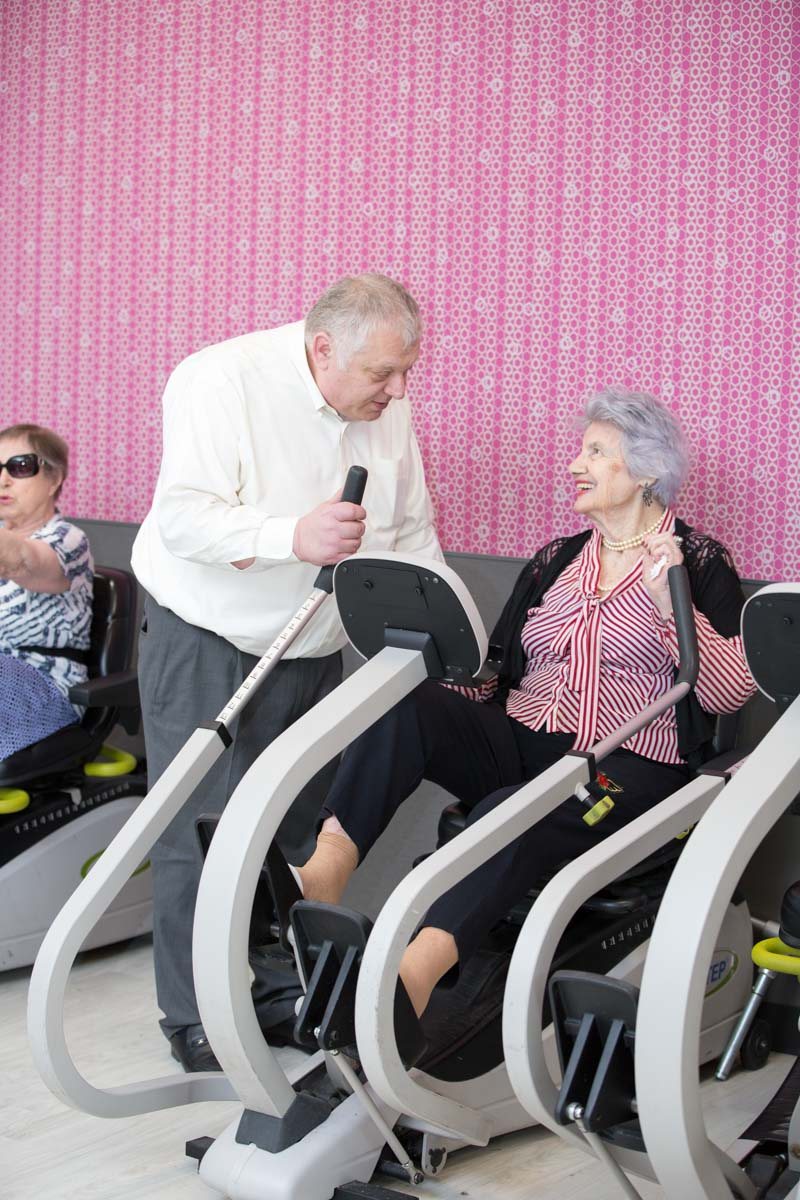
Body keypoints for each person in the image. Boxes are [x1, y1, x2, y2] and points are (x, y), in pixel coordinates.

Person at [289, 387, 757, 1028]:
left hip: (629, 765)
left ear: (647, 470)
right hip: (527, 739)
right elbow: (498, 676)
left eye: (595, 451)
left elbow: (726, 691)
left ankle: (408, 984)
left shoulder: (698, 563)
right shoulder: (556, 560)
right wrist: (441, 669)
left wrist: (665, 601)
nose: (575, 464)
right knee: (408, 704)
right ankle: (322, 876)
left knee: (513, 808)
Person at [131, 273, 442, 1071]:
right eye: (382, 374)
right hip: (209, 633)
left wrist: (443, 637)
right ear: (322, 349)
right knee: (196, 834)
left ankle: (270, 989)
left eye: (407, 371)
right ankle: (193, 1015)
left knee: (290, 833)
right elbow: (184, 517)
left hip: (313, 644)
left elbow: (410, 533)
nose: (399, 391)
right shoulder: (219, 380)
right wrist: (289, 536)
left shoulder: (387, 406)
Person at [0, 424, 93, 762]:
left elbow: (23, 562)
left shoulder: (68, 539)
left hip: (45, 686)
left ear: (54, 478)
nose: (4, 480)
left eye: (20, 466)